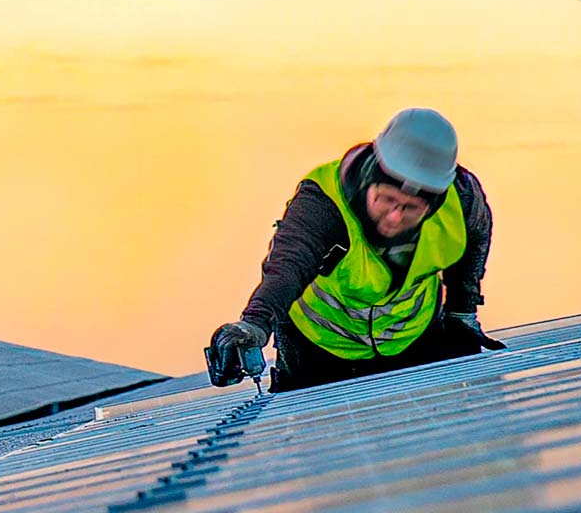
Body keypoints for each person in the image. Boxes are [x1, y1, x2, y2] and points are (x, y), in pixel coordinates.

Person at [207, 108, 505, 393]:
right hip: (319, 348)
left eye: (411, 208)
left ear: (434, 202)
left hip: (410, 338)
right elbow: (287, 267)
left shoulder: (463, 200)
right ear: (369, 181)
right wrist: (254, 325)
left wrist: (461, 311)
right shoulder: (323, 202)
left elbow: (476, 240)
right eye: (387, 200)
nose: (395, 217)